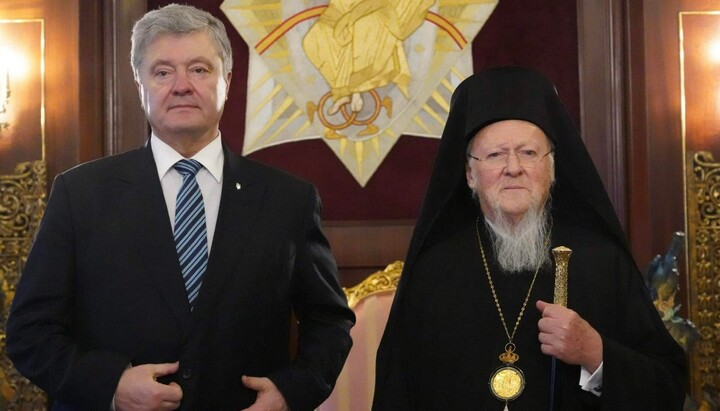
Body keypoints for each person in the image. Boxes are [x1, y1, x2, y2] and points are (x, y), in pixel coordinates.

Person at [6, 4, 354, 410]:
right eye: (162, 71)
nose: (182, 85)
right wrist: (111, 385)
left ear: (227, 80)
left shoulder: (288, 200)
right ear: (140, 85)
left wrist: (291, 391)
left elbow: (330, 322)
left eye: (200, 69)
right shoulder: (79, 194)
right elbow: (30, 333)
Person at [372, 66, 687, 410]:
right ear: (469, 174)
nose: (513, 167)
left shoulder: (602, 261)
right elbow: (397, 392)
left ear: (551, 168)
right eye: (494, 155)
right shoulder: (433, 270)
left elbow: (667, 385)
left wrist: (595, 352)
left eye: (528, 152)